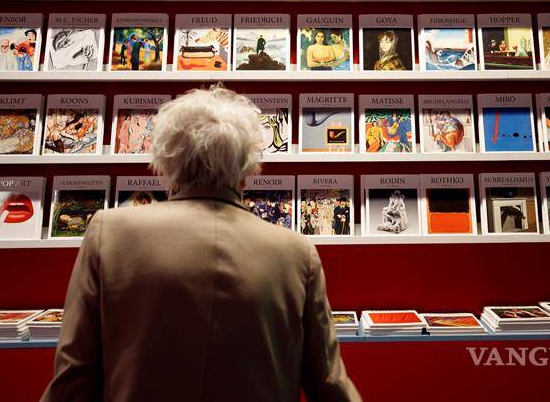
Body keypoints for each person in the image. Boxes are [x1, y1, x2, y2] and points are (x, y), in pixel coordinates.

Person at [42, 85, 360, 402]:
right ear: (247, 169)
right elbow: (329, 384)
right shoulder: (295, 252)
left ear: (165, 163)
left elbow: (74, 379)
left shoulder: (109, 233)